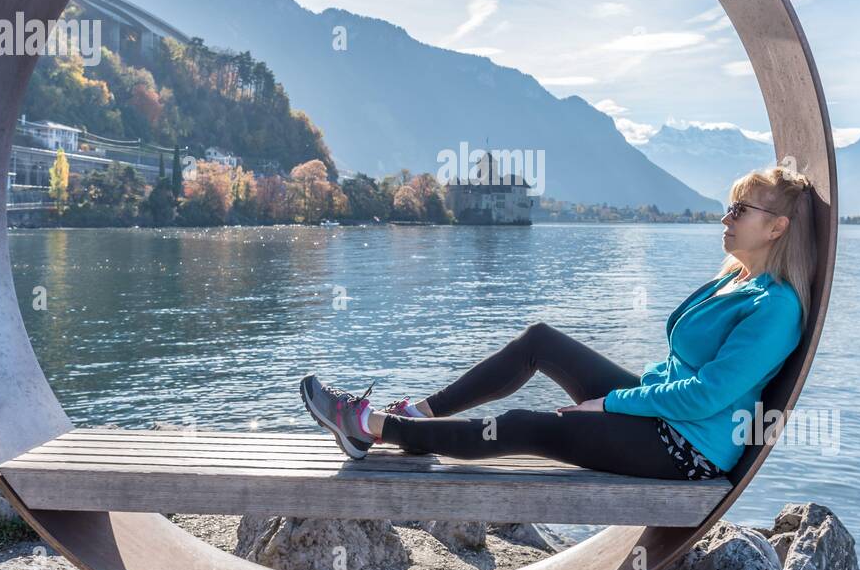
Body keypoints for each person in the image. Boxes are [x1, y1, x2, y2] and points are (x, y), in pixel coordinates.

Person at [300, 164, 818, 481]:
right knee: (540, 341)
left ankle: (368, 427)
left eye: (740, 209)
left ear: (777, 226)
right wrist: (621, 401)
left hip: (685, 448)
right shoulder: (736, 278)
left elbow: (706, 396)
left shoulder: (776, 308)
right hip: (661, 411)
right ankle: (420, 411)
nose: (726, 217)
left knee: (527, 426)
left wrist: (610, 403)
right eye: (728, 206)